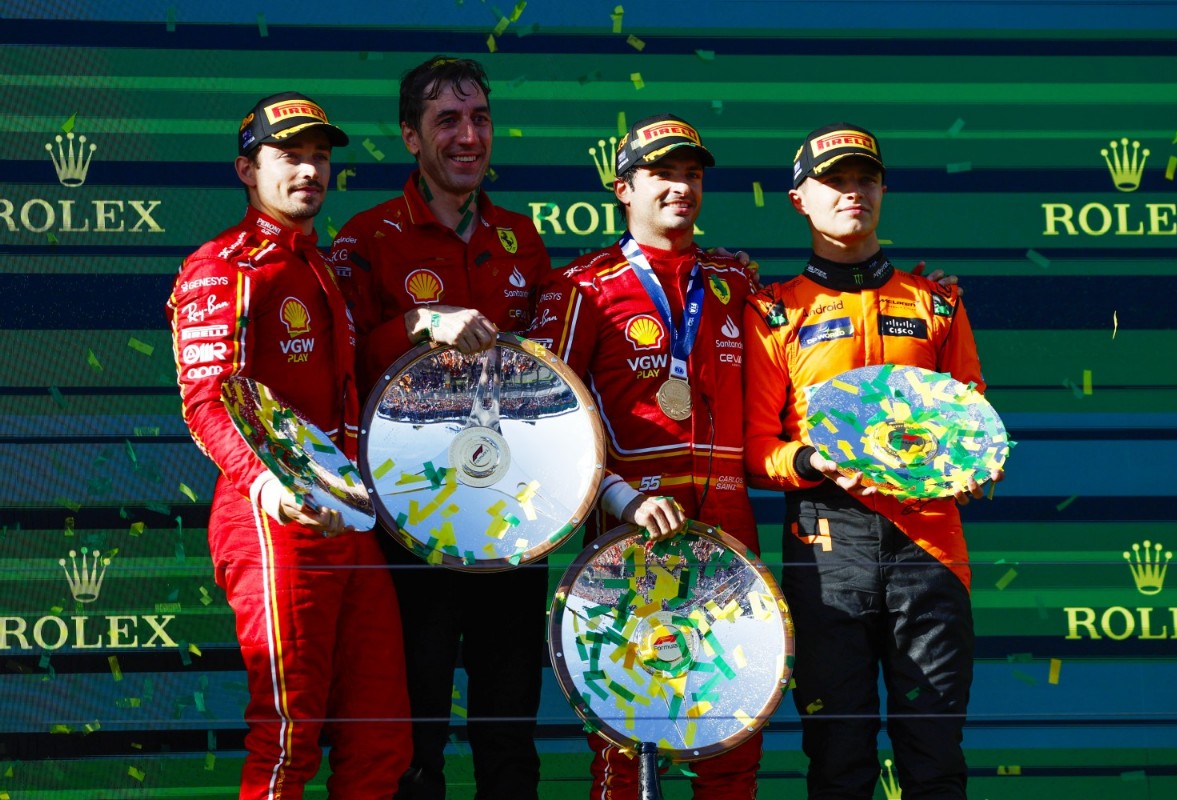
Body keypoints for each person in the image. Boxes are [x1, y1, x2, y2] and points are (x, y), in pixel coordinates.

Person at [741, 122, 1003, 800]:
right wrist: (812, 461)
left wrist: (978, 465)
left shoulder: (938, 301)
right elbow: (756, 450)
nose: (852, 192)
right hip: (827, 547)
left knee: (935, 757)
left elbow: (972, 422)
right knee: (837, 761)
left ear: (883, 189)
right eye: (834, 181)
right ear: (800, 199)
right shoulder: (771, 311)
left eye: (864, 178)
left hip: (931, 547)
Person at [166, 92, 411, 798]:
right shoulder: (223, 267)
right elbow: (208, 399)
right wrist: (267, 482)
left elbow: (360, 366)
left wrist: (420, 324)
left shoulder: (323, 265)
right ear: (248, 169)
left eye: (320, 155)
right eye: (289, 155)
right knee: (287, 740)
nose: (309, 169)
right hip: (272, 519)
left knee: (380, 739)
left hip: (348, 518)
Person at [527, 113, 762, 800]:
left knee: (733, 732)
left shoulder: (737, 282)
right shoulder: (581, 288)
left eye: (692, 173)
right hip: (628, 539)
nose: (681, 186)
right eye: (663, 172)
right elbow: (544, 425)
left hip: (729, 539)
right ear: (623, 188)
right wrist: (619, 498)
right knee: (627, 739)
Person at [333, 57, 550, 800]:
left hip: (513, 518)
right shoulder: (367, 238)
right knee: (414, 735)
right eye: (446, 121)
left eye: (480, 118)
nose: (468, 136)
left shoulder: (523, 237)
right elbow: (345, 366)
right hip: (414, 519)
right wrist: (420, 324)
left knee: (509, 733)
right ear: (409, 137)